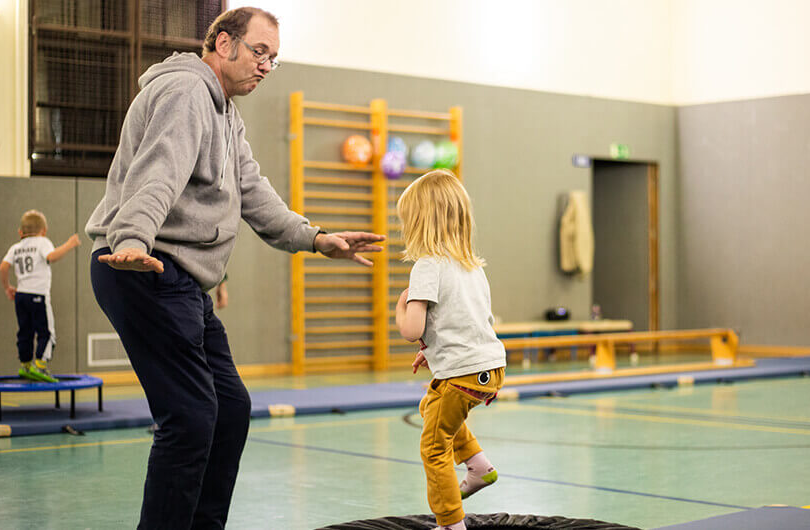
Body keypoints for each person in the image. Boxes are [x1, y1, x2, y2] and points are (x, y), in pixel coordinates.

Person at [84, 7, 385, 528]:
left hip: (178, 278)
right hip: (143, 266)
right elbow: (157, 171)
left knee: (228, 409)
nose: (266, 66)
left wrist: (316, 239)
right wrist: (132, 236)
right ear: (223, 44)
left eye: (274, 58)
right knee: (192, 417)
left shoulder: (225, 112)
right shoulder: (186, 93)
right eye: (259, 52)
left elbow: (254, 194)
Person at [394, 170, 507, 530]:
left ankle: (449, 523)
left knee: (433, 447)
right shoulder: (471, 266)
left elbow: (412, 329)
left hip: (461, 374)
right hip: (489, 366)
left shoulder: (427, 266)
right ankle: (479, 467)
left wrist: (399, 307)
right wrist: (433, 351)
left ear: (419, 223)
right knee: (433, 408)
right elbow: (470, 320)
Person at [0, 210, 80, 383]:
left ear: (20, 232)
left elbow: (3, 267)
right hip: (38, 295)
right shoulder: (42, 242)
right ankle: (41, 365)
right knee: (47, 332)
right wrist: (69, 244)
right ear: (43, 230)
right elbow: (51, 257)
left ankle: (26, 364)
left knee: (25, 331)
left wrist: (7, 287)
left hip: (21, 296)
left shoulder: (15, 248)